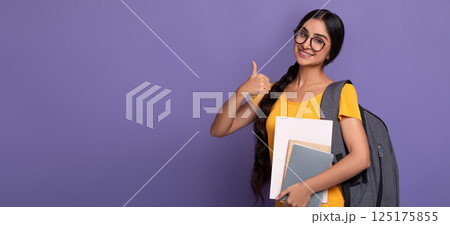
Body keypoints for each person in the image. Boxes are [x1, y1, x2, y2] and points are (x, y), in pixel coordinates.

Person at [210, 9, 370, 207]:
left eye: (318, 40)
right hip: (285, 207)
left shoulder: (340, 92)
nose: (306, 44)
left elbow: (361, 158)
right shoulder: (274, 92)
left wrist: (307, 188)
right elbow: (219, 130)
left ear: (331, 52)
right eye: (303, 34)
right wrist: (242, 91)